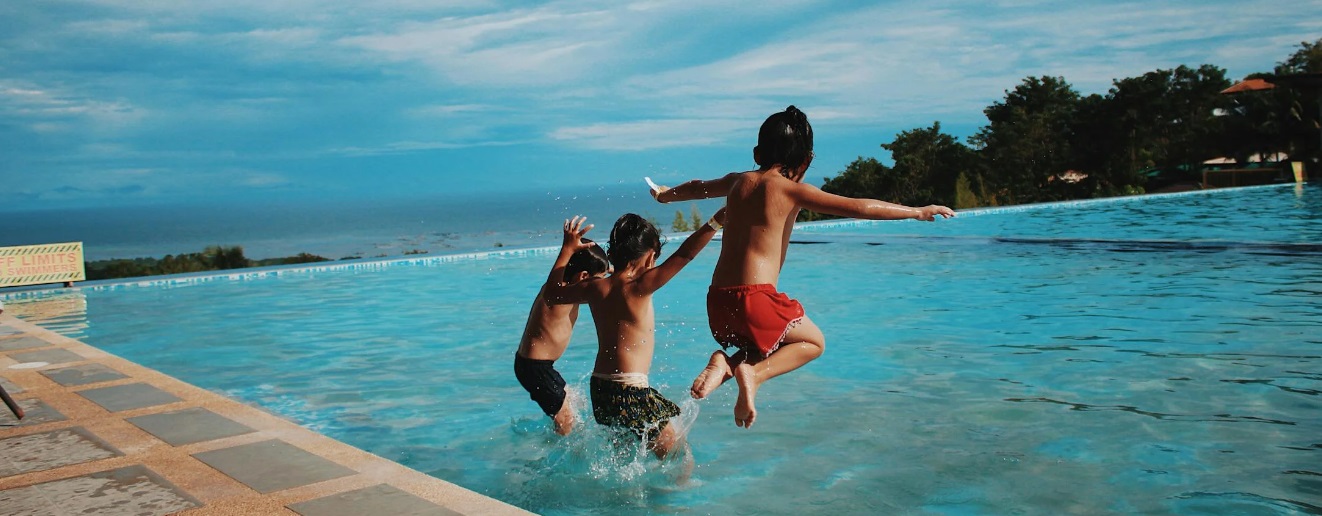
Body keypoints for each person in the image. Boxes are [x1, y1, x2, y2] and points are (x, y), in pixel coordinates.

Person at [650, 105, 955, 429]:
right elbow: (860, 207)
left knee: (766, 342)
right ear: (806, 160)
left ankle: (725, 365)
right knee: (812, 342)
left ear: (757, 153)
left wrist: (664, 196)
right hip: (756, 298)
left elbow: (697, 187)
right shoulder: (792, 190)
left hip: (719, 301)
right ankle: (752, 373)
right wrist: (918, 211)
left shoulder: (737, 181)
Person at [546, 212, 723, 459]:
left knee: (623, 457)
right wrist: (715, 222)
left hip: (601, 389)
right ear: (650, 256)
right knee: (679, 456)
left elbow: (552, 294)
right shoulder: (639, 286)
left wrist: (567, 250)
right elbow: (685, 254)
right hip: (630, 390)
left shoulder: (596, 288)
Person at [514, 232, 611, 435]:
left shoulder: (566, 289)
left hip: (537, 366)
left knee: (574, 401)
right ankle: (555, 452)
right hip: (535, 368)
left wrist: (611, 268)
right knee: (566, 421)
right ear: (583, 277)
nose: (600, 283)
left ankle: (556, 434)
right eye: (599, 279)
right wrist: (567, 248)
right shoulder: (558, 294)